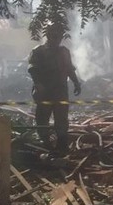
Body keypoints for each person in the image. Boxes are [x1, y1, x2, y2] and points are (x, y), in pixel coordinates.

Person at [28, 23, 81, 154]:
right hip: (44, 92)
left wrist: (76, 82)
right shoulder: (38, 51)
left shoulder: (64, 52)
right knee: (42, 119)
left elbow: (69, 69)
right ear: (48, 36)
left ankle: (62, 146)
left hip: (60, 92)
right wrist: (38, 84)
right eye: (53, 36)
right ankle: (45, 144)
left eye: (58, 37)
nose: (56, 39)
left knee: (62, 119)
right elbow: (33, 69)